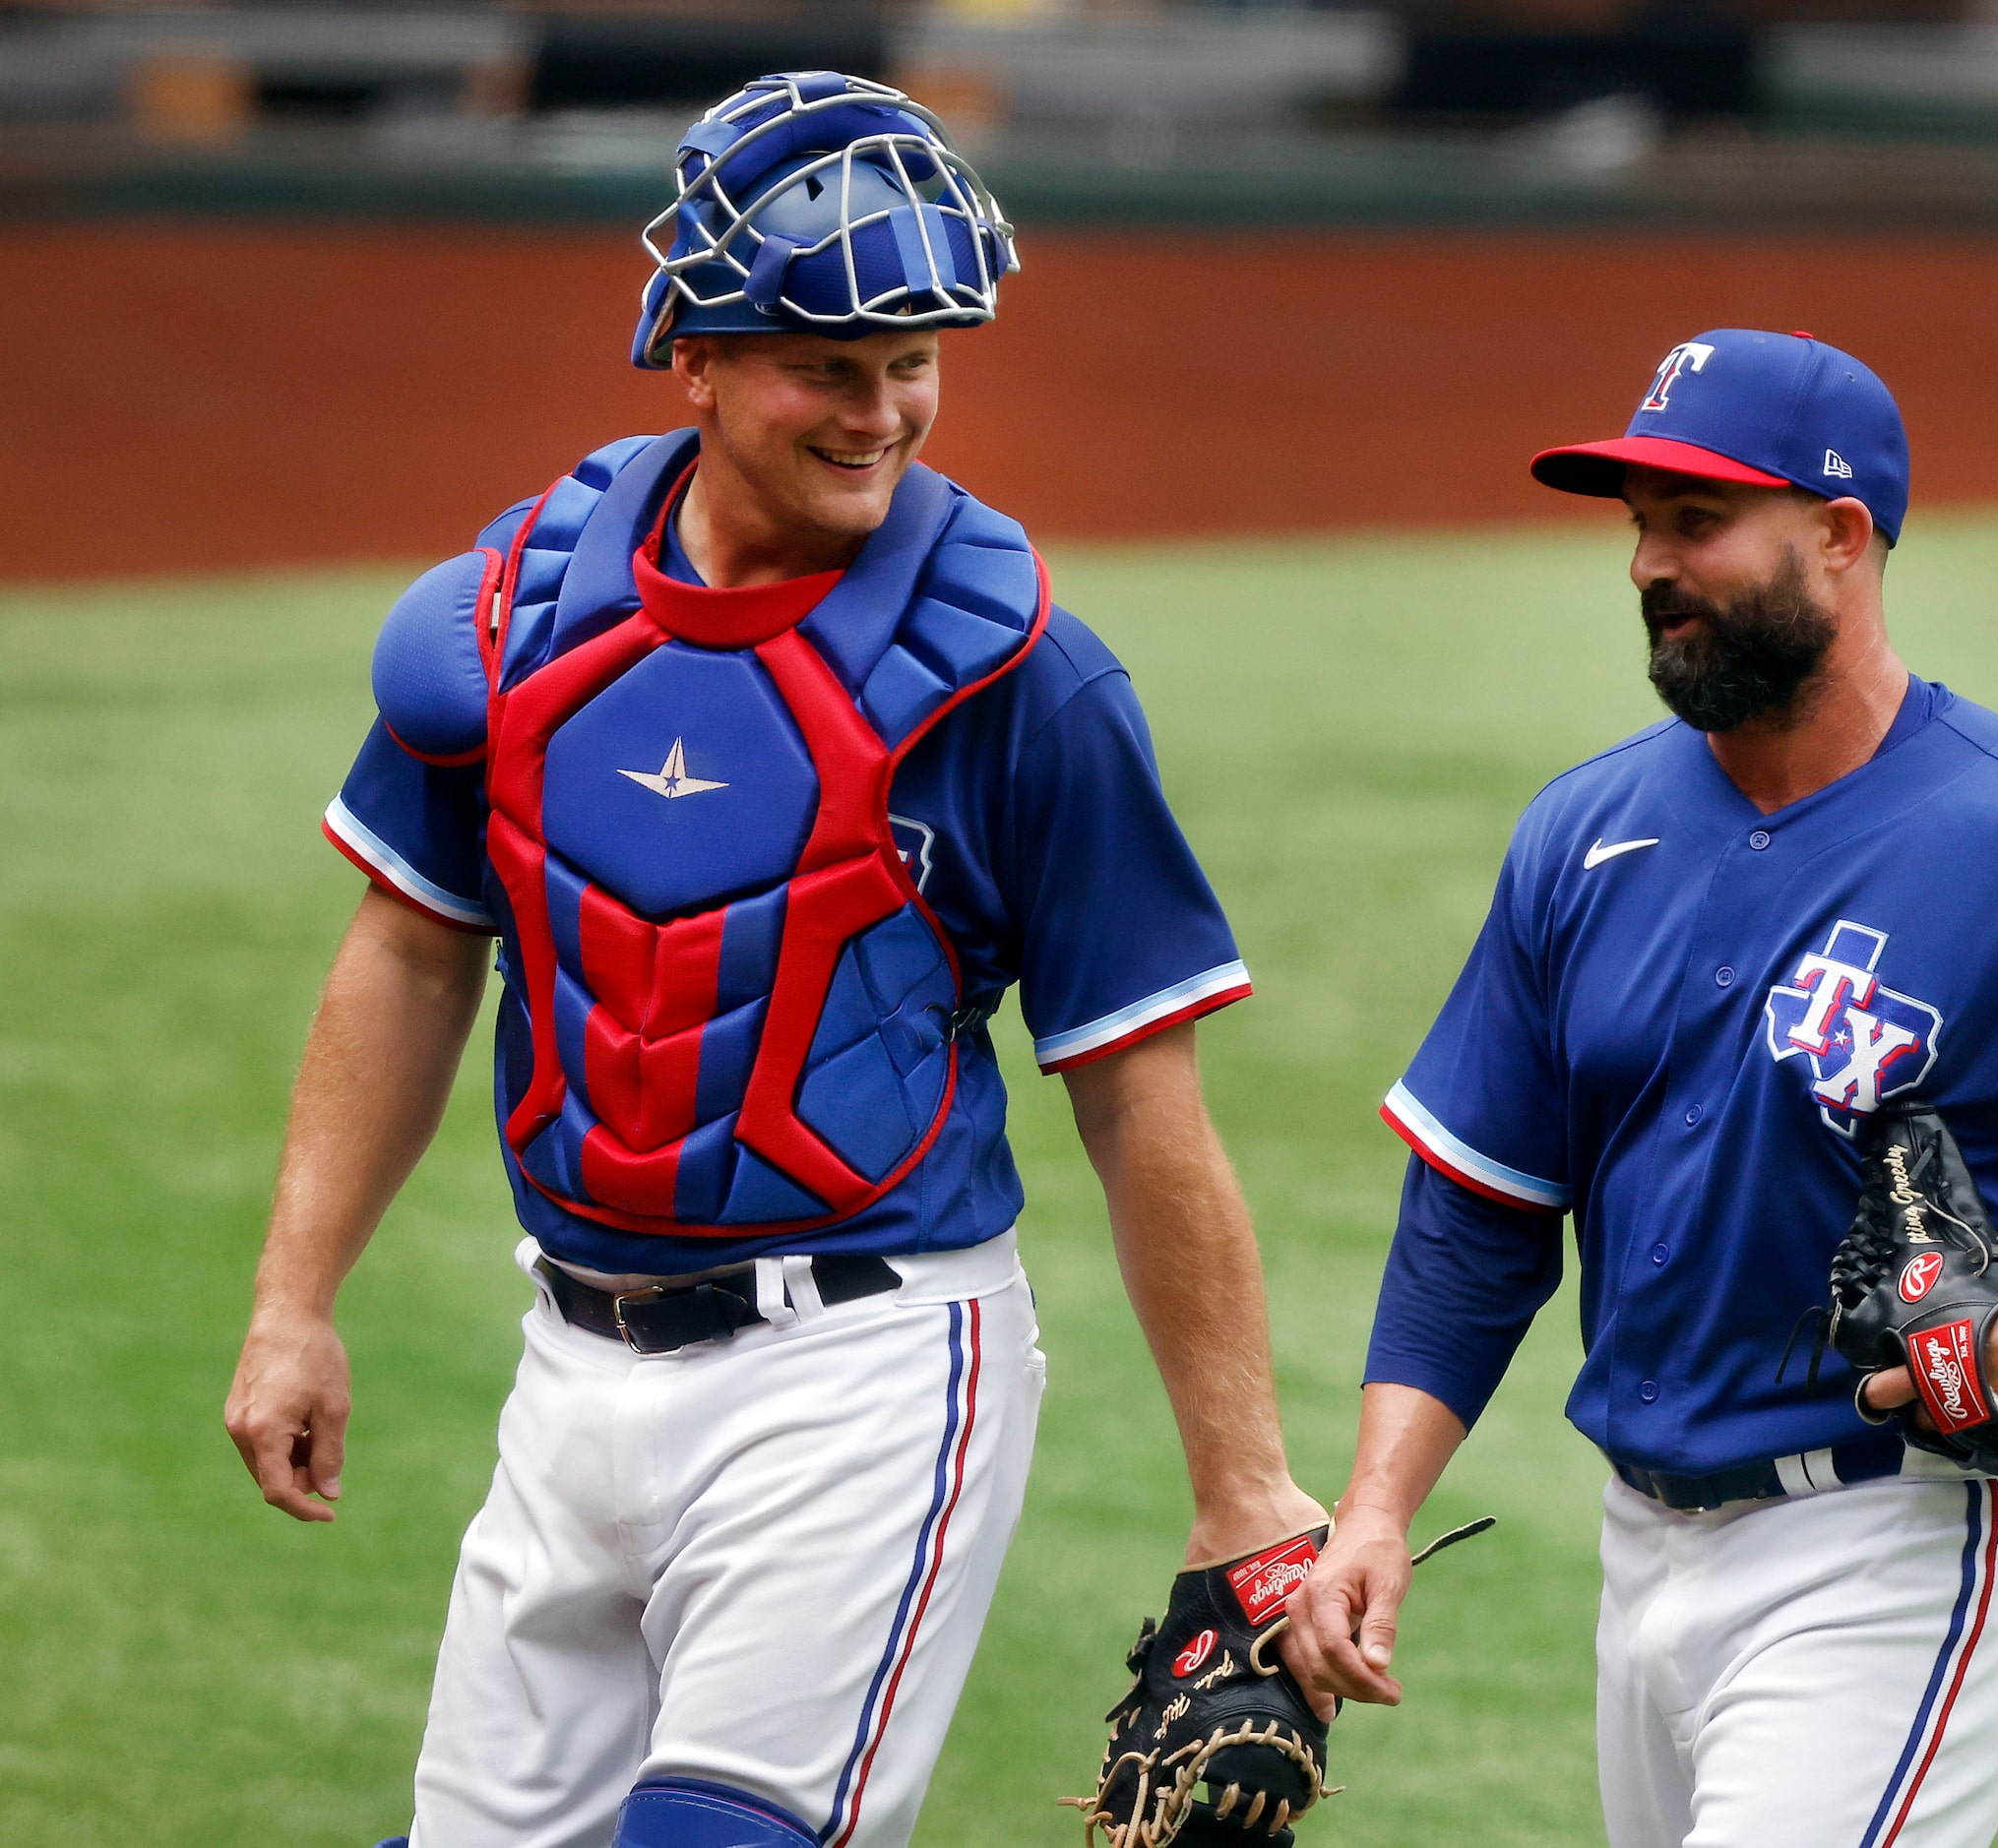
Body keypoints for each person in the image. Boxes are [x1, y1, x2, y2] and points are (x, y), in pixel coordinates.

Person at [220, 74, 1326, 1848]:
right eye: (831, 359)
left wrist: (1244, 1485)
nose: (883, 409)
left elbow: (1137, 1086)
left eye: (920, 359)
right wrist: (294, 1299)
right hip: (570, 1365)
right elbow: (410, 959)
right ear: (699, 352)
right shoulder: (510, 620)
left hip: (867, 1370)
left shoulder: (1017, 672)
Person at [1280, 329, 1998, 1847]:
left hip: (1895, 1542)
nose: (1649, 561)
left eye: (1697, 521)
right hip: (1643, 1552)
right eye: (1639, 523)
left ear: (1839, 540)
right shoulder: (1584, 834)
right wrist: (1374, 1507)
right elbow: (1479, 1215)